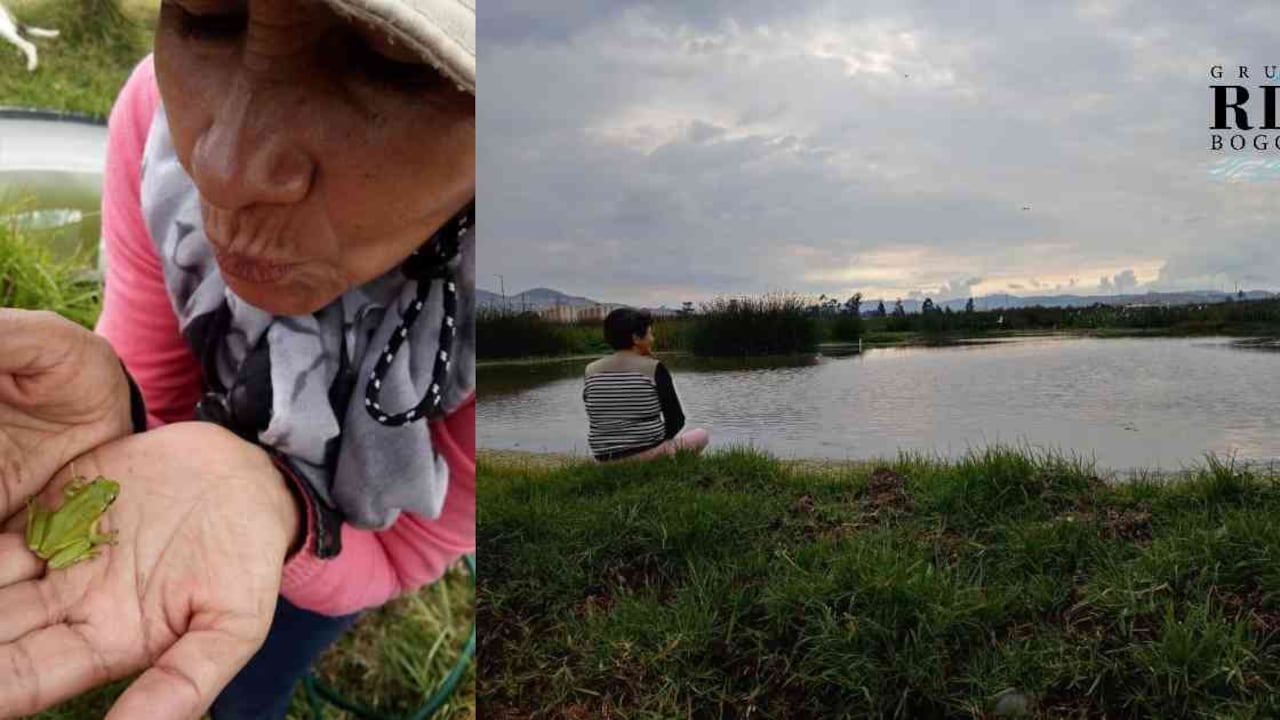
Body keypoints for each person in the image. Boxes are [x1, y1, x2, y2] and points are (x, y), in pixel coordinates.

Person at [0, 1, 475, 718]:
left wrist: (284, 517)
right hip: (158, 511)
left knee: (251, 687)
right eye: (204, 12)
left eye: (392, 60)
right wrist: (111, 409)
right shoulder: (153, 130)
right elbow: (151, 380)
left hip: (332, 557)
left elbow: (414, 542)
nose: (218, 168)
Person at [584, 308, 710, 462]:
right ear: (636, 338)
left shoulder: (590, 370)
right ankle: (666, 461)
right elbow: (676, 420)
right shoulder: (654, 368)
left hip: (603, 459)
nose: (653, 339)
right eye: (650, 334)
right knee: (701, 435)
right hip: (646, 456)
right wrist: (656, 441)